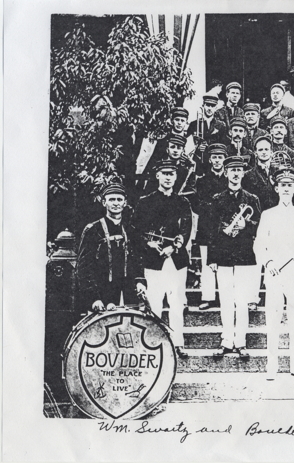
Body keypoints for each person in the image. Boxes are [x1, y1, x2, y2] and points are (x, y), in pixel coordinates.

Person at [254, 166, 294, 380]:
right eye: (283, 186)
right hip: (275, 274)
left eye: (290, 186)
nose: (287, 189)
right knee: (273, 319)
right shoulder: (268, 215)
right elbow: (260, 244)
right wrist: (268, 261)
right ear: (276, 188)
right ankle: (272, 365)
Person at [132, 160, 193, 359]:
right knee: (155, 302)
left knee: (176, 303)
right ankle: (154, 342)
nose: (168, 177)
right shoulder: (144, 202)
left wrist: (174, 246)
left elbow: (186, 228)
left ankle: (177, 343)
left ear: (176, 177)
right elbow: (136, 231)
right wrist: (148, 244)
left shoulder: (183, 202)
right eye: (164, 173)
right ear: (157, 176)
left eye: (171, 174)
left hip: (176, 260)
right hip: (153, 260)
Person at [208, 156, 262, 358]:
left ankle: (241, 341)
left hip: (244, 255)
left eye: (239, 170)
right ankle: (226, 340)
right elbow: (211, 230)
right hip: (222, 255)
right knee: (226, 300)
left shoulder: (252, 199)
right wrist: (211, 258)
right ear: (225, 173)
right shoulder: (217, 199)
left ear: (243, 173)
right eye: (232, 170)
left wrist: (246, 225)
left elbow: (258, 225)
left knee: (241, 301)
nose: (236, 173)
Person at [77, 183, 144, 313]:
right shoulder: (93, 230)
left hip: (128, 293)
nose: (116, 203)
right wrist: (94, 298)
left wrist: (140, 282)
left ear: (125, 203)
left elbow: (137, 261)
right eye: (111, 199)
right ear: (104, 202)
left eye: (119, 199)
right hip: (102, 295)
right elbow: (84, 267)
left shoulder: (131, 230)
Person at [193, 144, 229, 306]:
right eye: (214, 157)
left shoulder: (229, 179)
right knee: (207, 263)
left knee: (224, 263)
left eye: (220, 157)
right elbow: (198, 203)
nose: (217, 161)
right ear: (209, 159)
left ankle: (224, 297)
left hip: (224, 226)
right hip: (207, 226)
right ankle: (207, 297)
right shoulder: (202, 181)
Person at [187, 94, 228, 172]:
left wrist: (208, 147)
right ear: (203, 106)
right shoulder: (194, 124)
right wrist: (197, 147)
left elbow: (223, 144)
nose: (210, 108)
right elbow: (188, 145)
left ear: (216, 108)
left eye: (212, 106)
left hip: (214, 163)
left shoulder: (221, 125)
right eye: (208, 105)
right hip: (197, 162)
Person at [242, 135, 278, 211]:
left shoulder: (278, 173)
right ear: (255, 153)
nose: (264, 152)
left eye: (266, 149)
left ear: (271, 152)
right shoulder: (247, 176)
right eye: (261, 150)